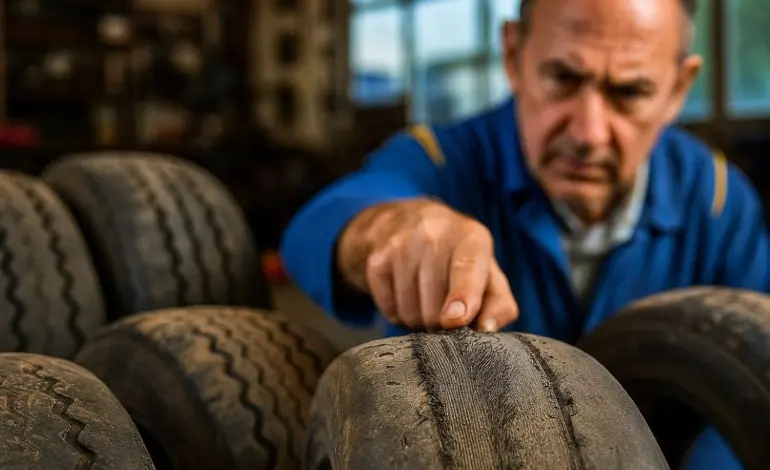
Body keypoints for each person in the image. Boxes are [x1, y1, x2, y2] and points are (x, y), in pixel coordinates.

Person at [280, 0, 769, 468]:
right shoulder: (445, 160)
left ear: (678, 89)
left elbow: (747, 388)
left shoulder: (719, 201)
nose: (588, 133)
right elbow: (313, 230)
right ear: (513, 55)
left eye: (630, 92)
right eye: (563, 78)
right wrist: (388, 227)